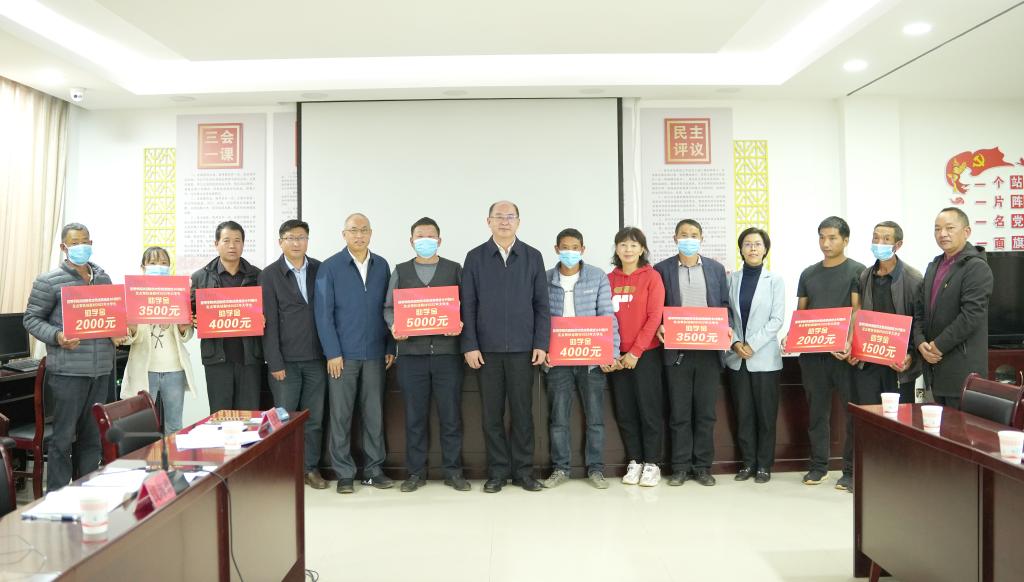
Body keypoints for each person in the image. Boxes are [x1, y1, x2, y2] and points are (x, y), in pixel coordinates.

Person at [461, 201, 549, 493]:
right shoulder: (475, 257)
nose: (504, 221)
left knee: (523, 414)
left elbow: (542, 305)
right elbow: (468, 305)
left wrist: (541, 343)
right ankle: (497, 472)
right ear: (488, 221)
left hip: (524, 350)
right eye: (498, 217)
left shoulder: (533, 256)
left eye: (510, 217)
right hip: (486, 352)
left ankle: (524, 472)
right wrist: (470, 345)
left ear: (518, 222)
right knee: (492, 415)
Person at [23, 223, 113, 492]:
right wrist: (57, 336)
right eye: (74, 243)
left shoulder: (103, 278)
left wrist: (119, 330)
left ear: (91, 244)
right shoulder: (48, 281)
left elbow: (109, 317)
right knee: (62, 440)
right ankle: (57, 498)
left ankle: (87, 495)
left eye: (85, 241)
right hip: (67, 373)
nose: (80, 247)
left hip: (101, 371)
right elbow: (31, 319)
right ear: (64, 247)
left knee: (92, 439)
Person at [383, 217, 470, 492]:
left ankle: (453, 472)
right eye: (420, 236)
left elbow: (466, 305)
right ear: (411, 241)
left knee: (451, 417)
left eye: (430, 236)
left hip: (447, 356)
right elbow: (388, 307)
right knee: (415, 418)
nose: (425, 241)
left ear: (439, 241)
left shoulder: (454, 269)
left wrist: (460, 323)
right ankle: (415, 473)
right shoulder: (400, 271)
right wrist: (394, 326)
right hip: (411, 356)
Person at [315, 213, 395, 494]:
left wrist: (390, 346)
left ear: (371, 233)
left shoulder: (382, 265)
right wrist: (332, 352)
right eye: (353, 230)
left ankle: (374, 470)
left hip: (375, 353)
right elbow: (323, 314)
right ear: (344, 234)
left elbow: (389, 308)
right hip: (343, 356)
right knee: (341, 415)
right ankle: (344, 473)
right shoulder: (330, 267)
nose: (359, 235)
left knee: (374, 414)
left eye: (363, 230)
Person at [790, 216, 865, 492]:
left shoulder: (857, 271)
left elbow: (857, 311)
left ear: (846, 240)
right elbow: (802, 312)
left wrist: (849, 342)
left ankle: (850, 471)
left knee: (851, 414)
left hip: (844, 356)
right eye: (822, 237)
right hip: (813, 356)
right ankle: (818, 466)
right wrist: (793, 333)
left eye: (832, 238)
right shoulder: (808, 273)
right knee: (817, 414)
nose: (826, 243)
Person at [541, 228, 620, 490]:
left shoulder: (597, 276)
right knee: (558, 419)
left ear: (583, 250)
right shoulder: (545, 278)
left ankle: (596, 469)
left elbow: (607, 316)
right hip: (557, 361)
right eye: (565, 247)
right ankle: (560, 468)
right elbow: (539, 319)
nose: (570, 252)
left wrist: (611, 352)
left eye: (575, 248)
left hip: (592, 360)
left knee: (595, 418)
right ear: (556, 249)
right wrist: (542, 352)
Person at [654, 219, 729, 487]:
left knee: (706, 414)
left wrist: (727, 327)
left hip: (709, 351)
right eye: (684, 234)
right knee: (679, 414)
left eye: (694, 234)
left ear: (702, 238)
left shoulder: (716, 269)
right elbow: (656, 306)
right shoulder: (661, 269)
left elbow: (724, 305)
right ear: (675, 238)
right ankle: (680, 468)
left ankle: (702, 467)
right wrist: (659, 325)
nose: (689, 238)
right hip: (678, 351)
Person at [260, 220, 328, 490]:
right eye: (290, 238)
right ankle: (284, 472)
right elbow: (268, 323)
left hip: (316, 359)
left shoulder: (320, 269)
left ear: (307, 241)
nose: (296, 243)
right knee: (284, 419)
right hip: (285, 362)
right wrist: (274, 361)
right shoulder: (269, 275)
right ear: (281, 242)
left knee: (314, 419)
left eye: (301, 237)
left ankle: (310, 469)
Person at [913, 207, 993, 409]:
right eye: (937, 229)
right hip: (933, 370)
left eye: (950, 228)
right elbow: (920, 310)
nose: (942, 234)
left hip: (961, 373)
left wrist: (937, 346)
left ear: (966, 232)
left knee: (961, 428)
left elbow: (971, 316)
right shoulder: (934, 265)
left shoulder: (976, 267)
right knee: (934, 427)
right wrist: (920, 342)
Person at [724, 228, 784, 484]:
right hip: (737, 358)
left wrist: (753, 344)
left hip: (765, 358)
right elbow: (726, 315)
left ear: (765, 249)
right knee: (744, 414)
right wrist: (736, 343)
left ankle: (764, 465)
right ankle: (748, 463)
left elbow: (777, 319)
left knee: (765, 416)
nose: (752, 248)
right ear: (741, 249)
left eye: (757, 244)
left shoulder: (775, 280)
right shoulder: (731, 279)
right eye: (747, 244)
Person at [607, 227, 666, 487]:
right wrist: (612, 352)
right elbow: (603, 316)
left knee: (649, 410)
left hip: (645, 355)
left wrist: (635, 352)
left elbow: (654, 317)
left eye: (633, 245)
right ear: (616, 249)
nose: (628, 249)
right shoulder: (608, 279)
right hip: (617, 357)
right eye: (623, 245)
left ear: (642, 249)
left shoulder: (652, 277)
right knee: (625, 411)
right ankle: (635, 461)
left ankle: (652, 463)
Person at [190, 220, 263, 413]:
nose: (232, 246)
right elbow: (190, 311)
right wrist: (193, 319)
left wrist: (265, 319)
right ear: (216, 244)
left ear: (243, 244)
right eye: (226, 240)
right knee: (220, 416)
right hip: (217, 359)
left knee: (249, 416)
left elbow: (269, 311)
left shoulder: (258, 276)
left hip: (249, 358)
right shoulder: (200, 277)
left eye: (237, 240)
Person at [121, 247, 196, 434]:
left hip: (174, 369)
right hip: (144, 369)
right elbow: (126, 338)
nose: (159, 267)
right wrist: (131, 329)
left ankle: (171, 455)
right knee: (142, 426)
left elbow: (186, 335)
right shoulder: (133, 294)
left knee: (174, 425)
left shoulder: (179, 293)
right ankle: (146, 455)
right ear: (143, 267)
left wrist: (183, 329)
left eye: (163, 263)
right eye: (153, 263)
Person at [850, 221, 923, 409]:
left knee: (900, 418)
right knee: (869, 416)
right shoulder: (865, 276)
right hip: (868, 363)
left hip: (898, 365)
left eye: (886, 239)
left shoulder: (913, 279)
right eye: (876, 238)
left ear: (898, 245)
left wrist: (911, 355)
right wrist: (853, 345)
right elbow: (859, 314)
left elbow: (920, 322)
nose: (879, 243)